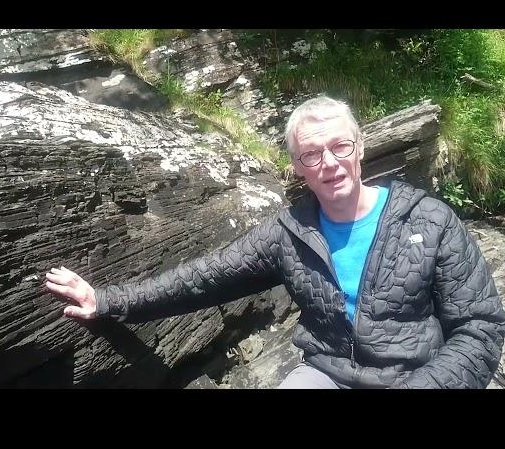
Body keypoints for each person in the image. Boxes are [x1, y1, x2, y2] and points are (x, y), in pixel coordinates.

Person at [45, 96, 505, 389]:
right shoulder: (289, 231)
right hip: (327, 374)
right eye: (311, 154)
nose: (329, 162)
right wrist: (107, 300)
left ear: (360, 147)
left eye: (340, 147)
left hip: (419, 376)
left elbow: (480, 327)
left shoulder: (430, 219)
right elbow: (206, 277)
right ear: (298, 167)